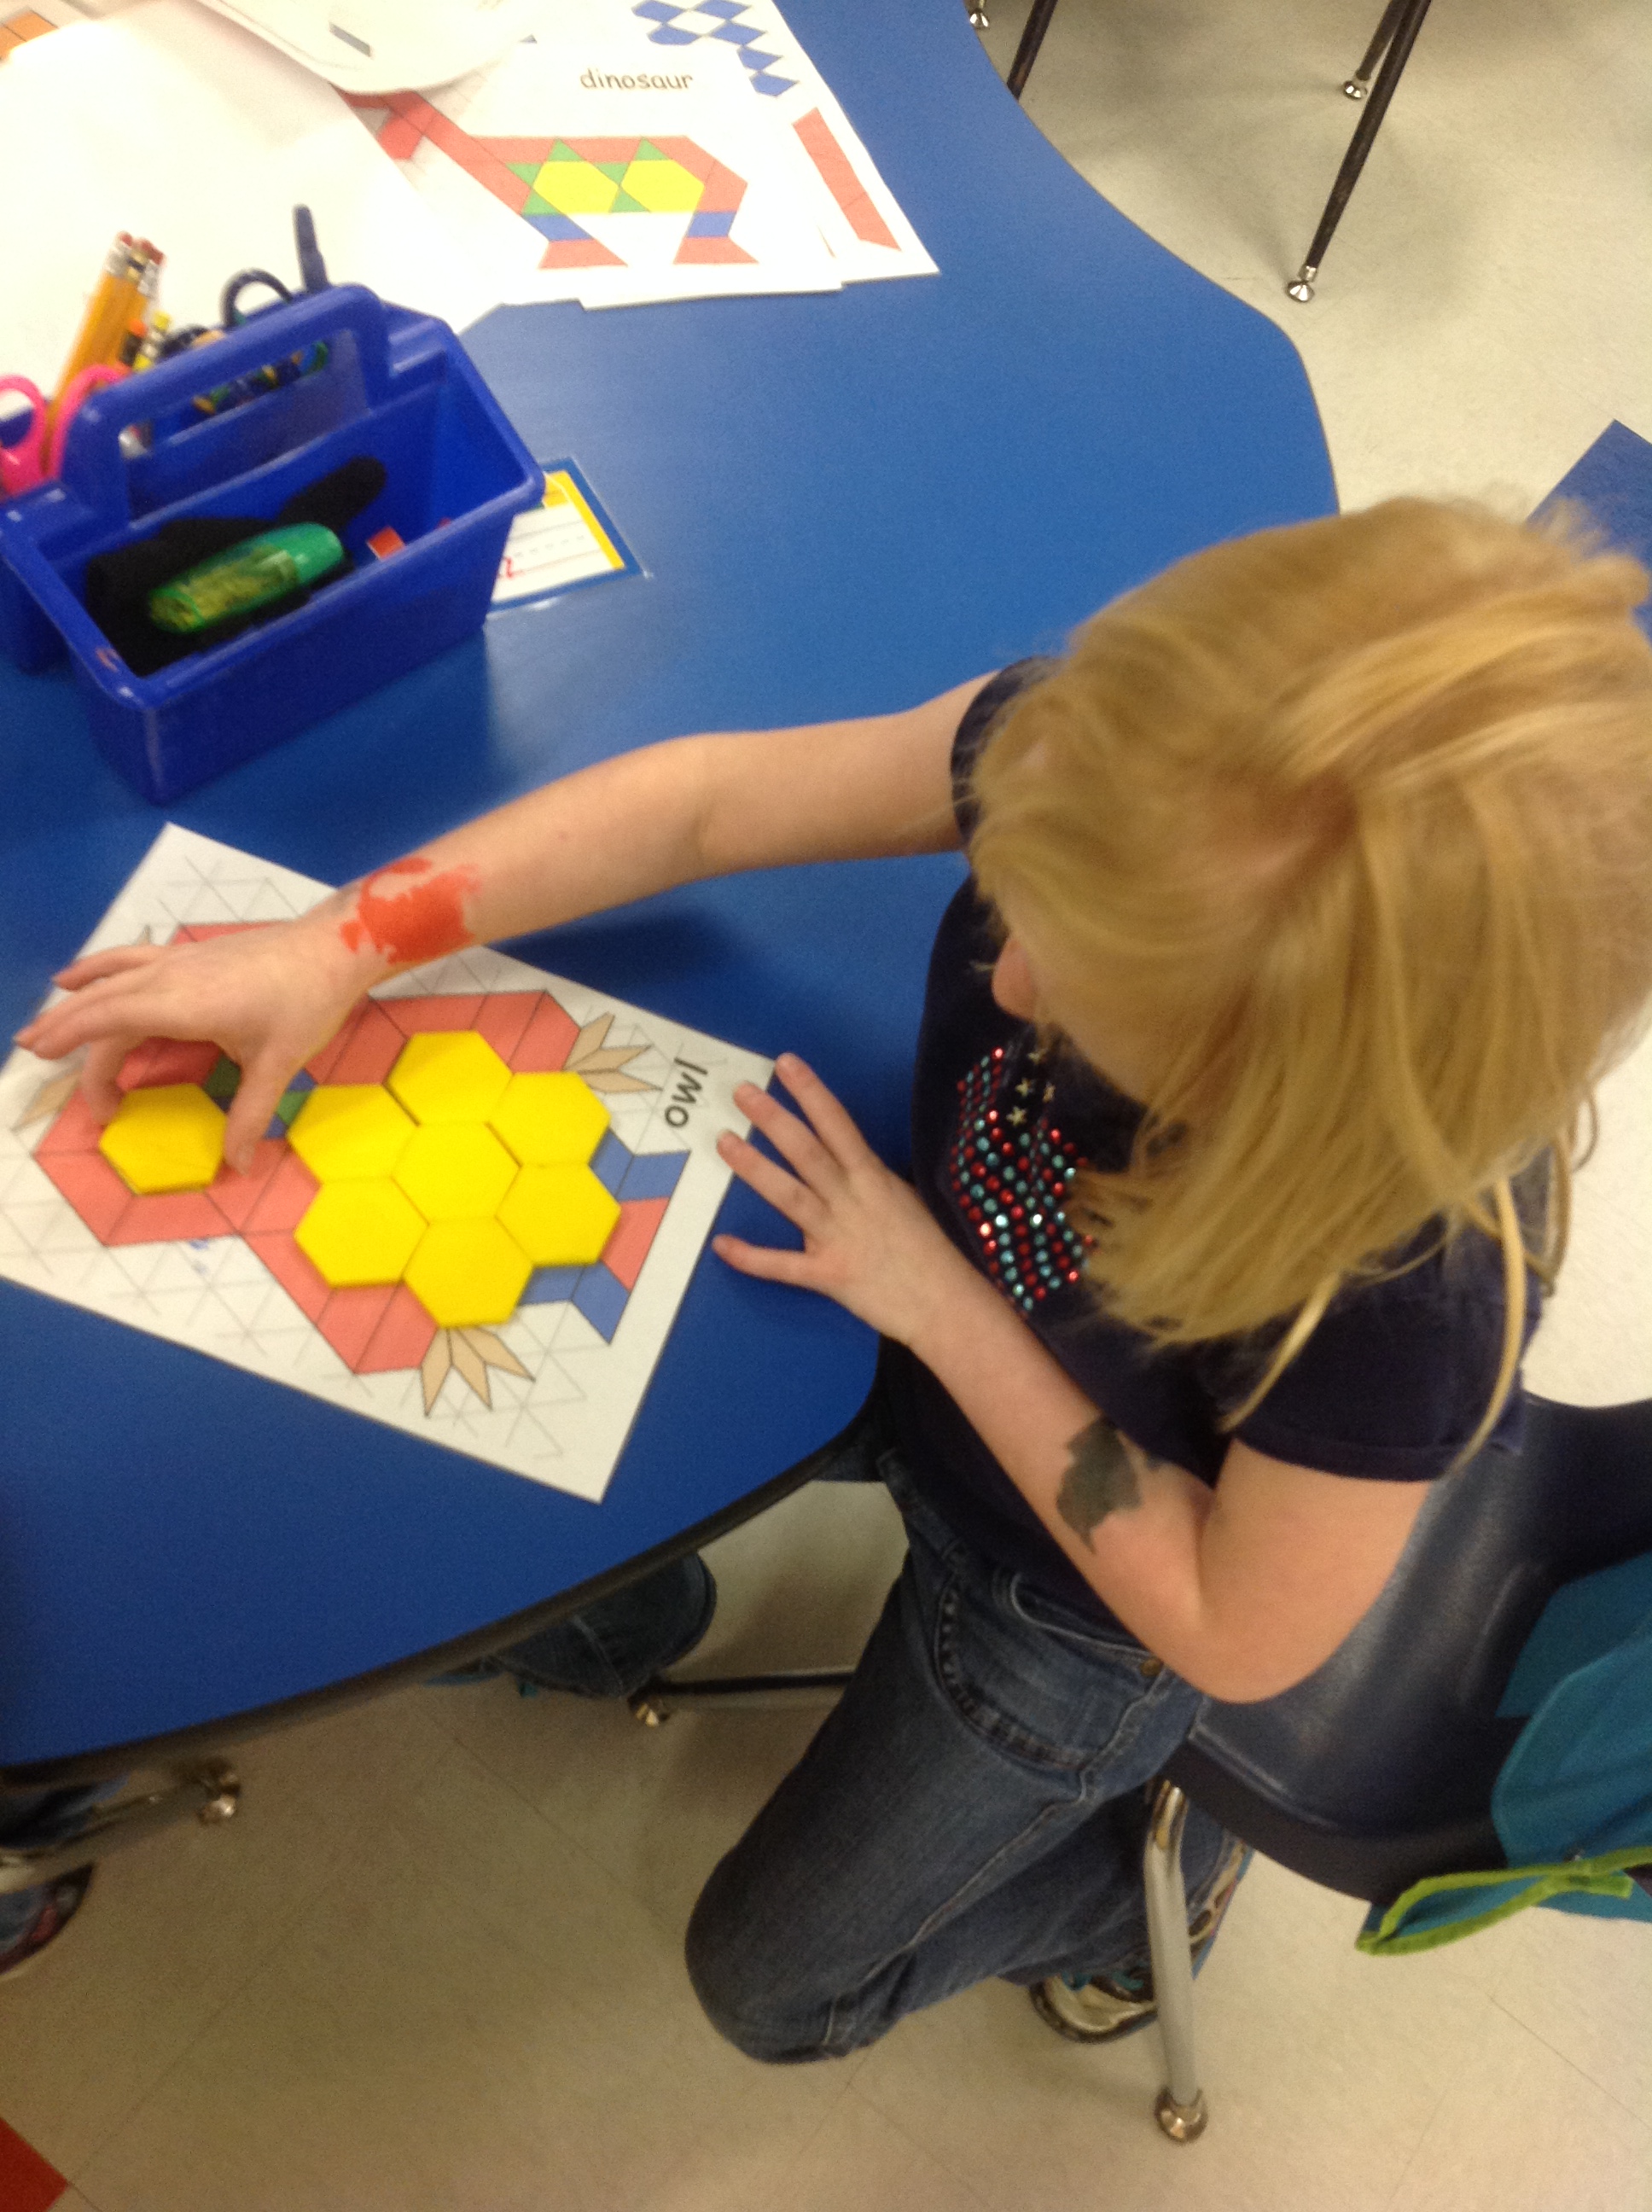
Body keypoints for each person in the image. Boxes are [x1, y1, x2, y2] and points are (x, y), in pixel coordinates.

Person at [17, 499, 1652, 2056]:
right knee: (459, 1475)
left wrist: (934, 1293)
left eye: (1088, 991)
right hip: (902, 1323)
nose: (1009, 975)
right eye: (1017, 884)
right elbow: (703, 805)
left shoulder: (1406, 1296)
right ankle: (625, 1627)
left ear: (1291, 1110)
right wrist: (341, 942)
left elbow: (1234, 1631)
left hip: (1075, 1605)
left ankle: (1137, 1906)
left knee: (772, 1987)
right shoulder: (1121, 773)